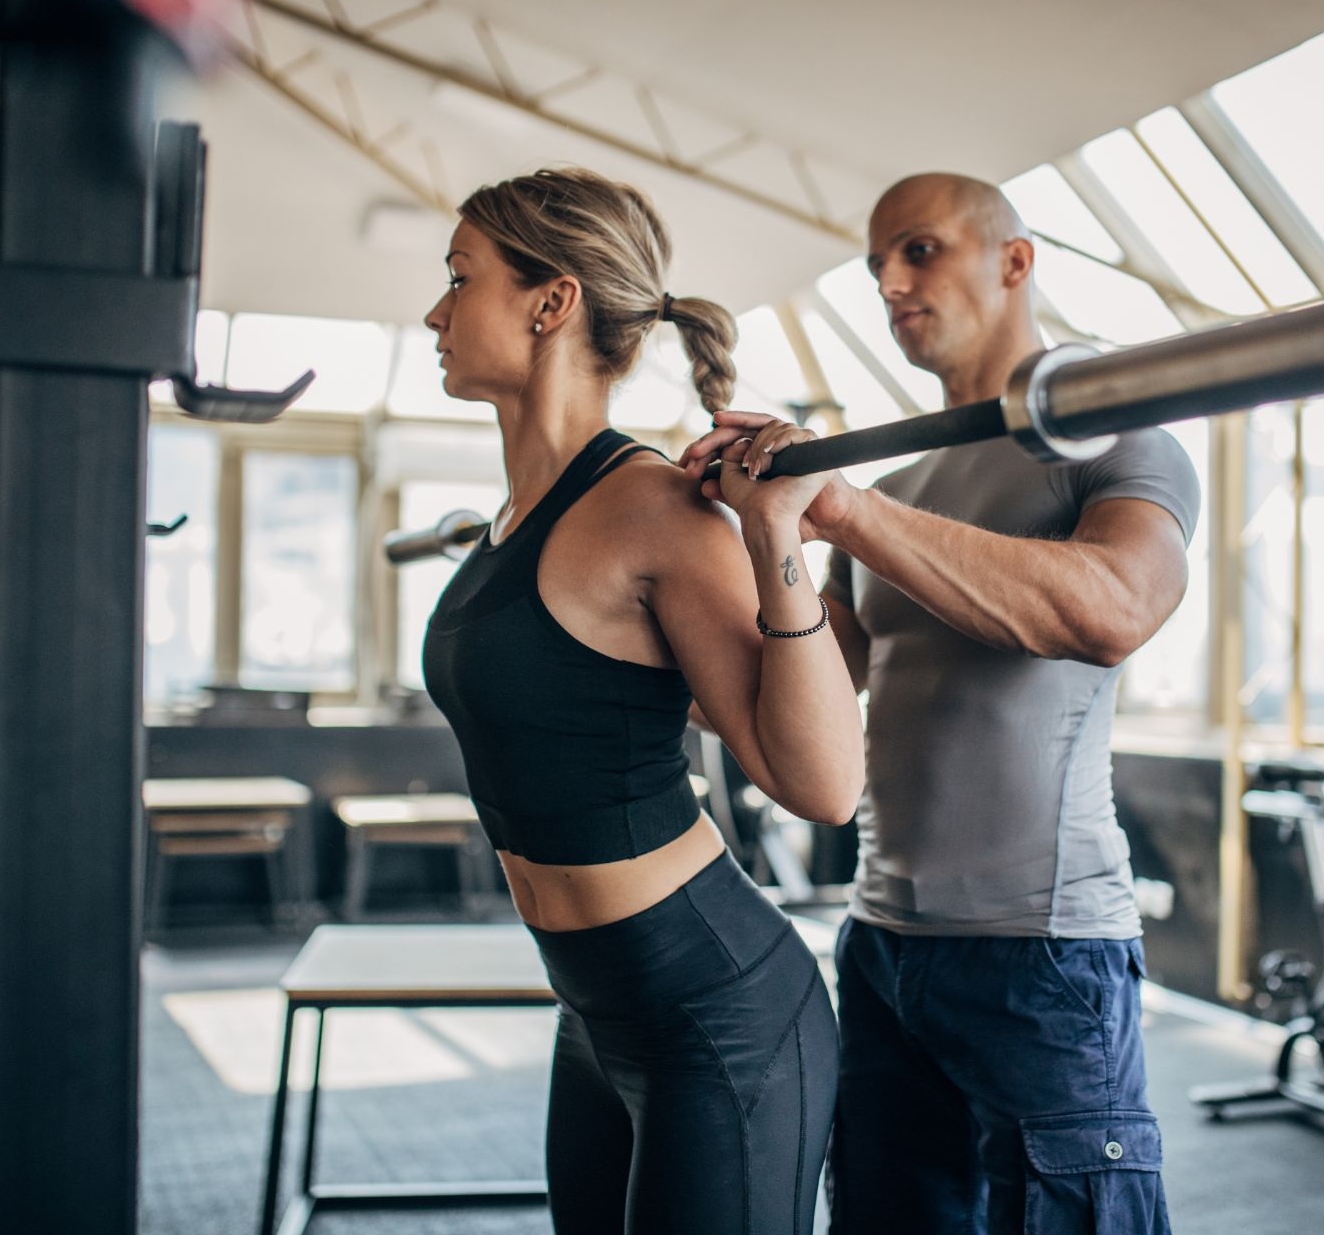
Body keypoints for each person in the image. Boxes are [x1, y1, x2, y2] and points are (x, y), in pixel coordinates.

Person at [683, 172, 1199, 1234]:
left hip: (1041, 950)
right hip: (880, 945)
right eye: (877, 265)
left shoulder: (1122, 442)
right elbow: (807, 671)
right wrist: (726, 536)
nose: (891, 282)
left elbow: (1110, 609)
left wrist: (843, 508)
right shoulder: (906, 486)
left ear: (1015, 260)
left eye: (919, 250)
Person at [419, 167, 863, 1235]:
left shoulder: (657, 509)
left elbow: (825, 783)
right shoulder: (513, 518)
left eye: (458, 278)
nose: (435, 311)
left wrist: (772, 536)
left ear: (550, 301)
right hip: (599, 1011)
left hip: (720, 1015)